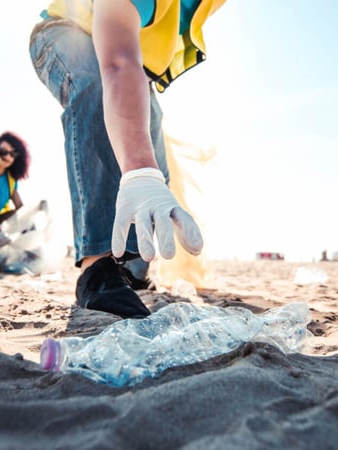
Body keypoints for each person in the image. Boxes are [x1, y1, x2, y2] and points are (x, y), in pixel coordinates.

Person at [29, 0, 220, 318]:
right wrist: (140, 171)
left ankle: (132, 264)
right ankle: (97, 267)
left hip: (133, 62)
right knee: (95, 88)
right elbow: (117, 63)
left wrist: (149, 170)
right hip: (67, 35)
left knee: (150, 134)